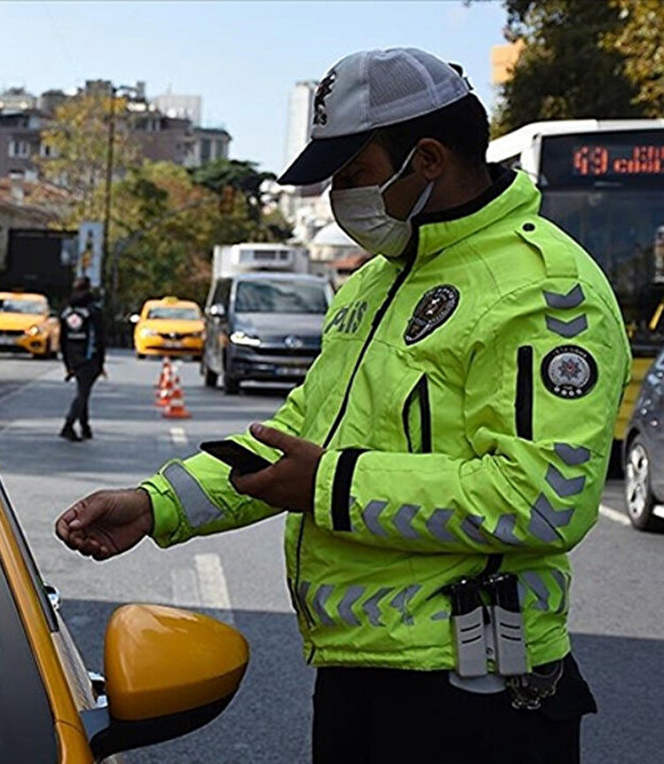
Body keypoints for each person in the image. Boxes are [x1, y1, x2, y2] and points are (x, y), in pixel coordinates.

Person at [55, 48, 631, 763]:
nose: (339, 197)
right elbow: (298, 434)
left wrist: (330, 486)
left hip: (478, 697)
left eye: (353, 175)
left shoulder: (542, 289)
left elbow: (544, 499)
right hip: (358, 675)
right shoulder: (374, 283)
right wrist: (155, 506)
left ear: (426, 159)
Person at [59, 276, 105, 442]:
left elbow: (62, 340)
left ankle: (85, 426)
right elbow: (99, 338)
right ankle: (68, 425)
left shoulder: (66, 312)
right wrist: (101, 362)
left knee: (82, 391)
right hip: (89, 357)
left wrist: (67, 363)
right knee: (83, 394)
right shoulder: (93, 311)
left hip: (72, 357)